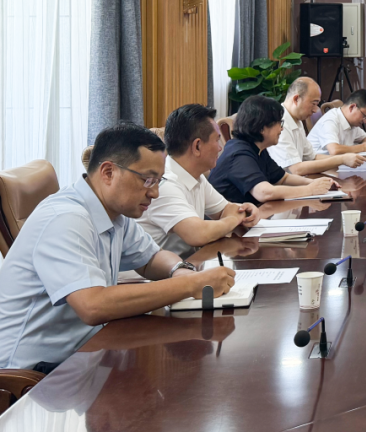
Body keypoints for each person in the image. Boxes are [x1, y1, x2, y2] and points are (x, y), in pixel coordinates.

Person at [0, 123, 236, 371]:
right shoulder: (65, 218)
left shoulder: (114, 213)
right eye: (147, 180)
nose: (155, 193)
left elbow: (150, 258)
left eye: (159, 181)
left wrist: (181, 270)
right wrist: (191, 284)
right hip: (31, 373)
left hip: (85, 351)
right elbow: (93, 306)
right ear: (108, 173)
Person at [138, 104, 261, 255]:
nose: (220, 148)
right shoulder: (164, 184)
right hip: (159, 270)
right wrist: (234, 219)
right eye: (216, 140)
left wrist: (244, 209)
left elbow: (225, 210)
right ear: (197, 146)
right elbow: (198, 234)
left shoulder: (196, 176)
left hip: (187, 264)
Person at [209, 95, 336, 206]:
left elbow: (283, 178)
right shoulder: (239, 154)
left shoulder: (258, 149)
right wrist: (309, 190)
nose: (281, 129)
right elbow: (264, 193)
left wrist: (315, 183)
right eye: (279, 123)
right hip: (225, 224)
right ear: (262, 128)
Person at [268, 77, 366, 174]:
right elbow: (296, 169)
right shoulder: (279, 123)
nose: (315, 110)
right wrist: (341, 159)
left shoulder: (297, 121)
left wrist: (345, 159)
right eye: (313, 103)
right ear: (296, 99)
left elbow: (312, 157)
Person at [308, 89, 366, 156]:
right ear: (352, 107)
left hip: (336, 163)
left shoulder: (352, 123)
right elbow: (334, 150)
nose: (365, 121)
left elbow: (365, 137)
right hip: (316, 163)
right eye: (364, 115)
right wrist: (363, 147)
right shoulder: (330, 120)